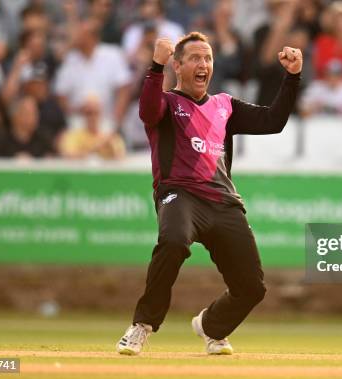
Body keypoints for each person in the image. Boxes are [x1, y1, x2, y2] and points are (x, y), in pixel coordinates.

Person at [116, 32, 301, 355]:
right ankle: (142, 325)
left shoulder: (224, 106)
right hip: (180, 195)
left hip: (223, 202)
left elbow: (274, 121)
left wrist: (293, 76)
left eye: (208, 58)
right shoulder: (167, 103)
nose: (203, 65)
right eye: (195, 59)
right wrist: (155, 67)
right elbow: (147, 112)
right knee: (173, 241)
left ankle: (212, 327)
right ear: (178, 65)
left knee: (252, 288)